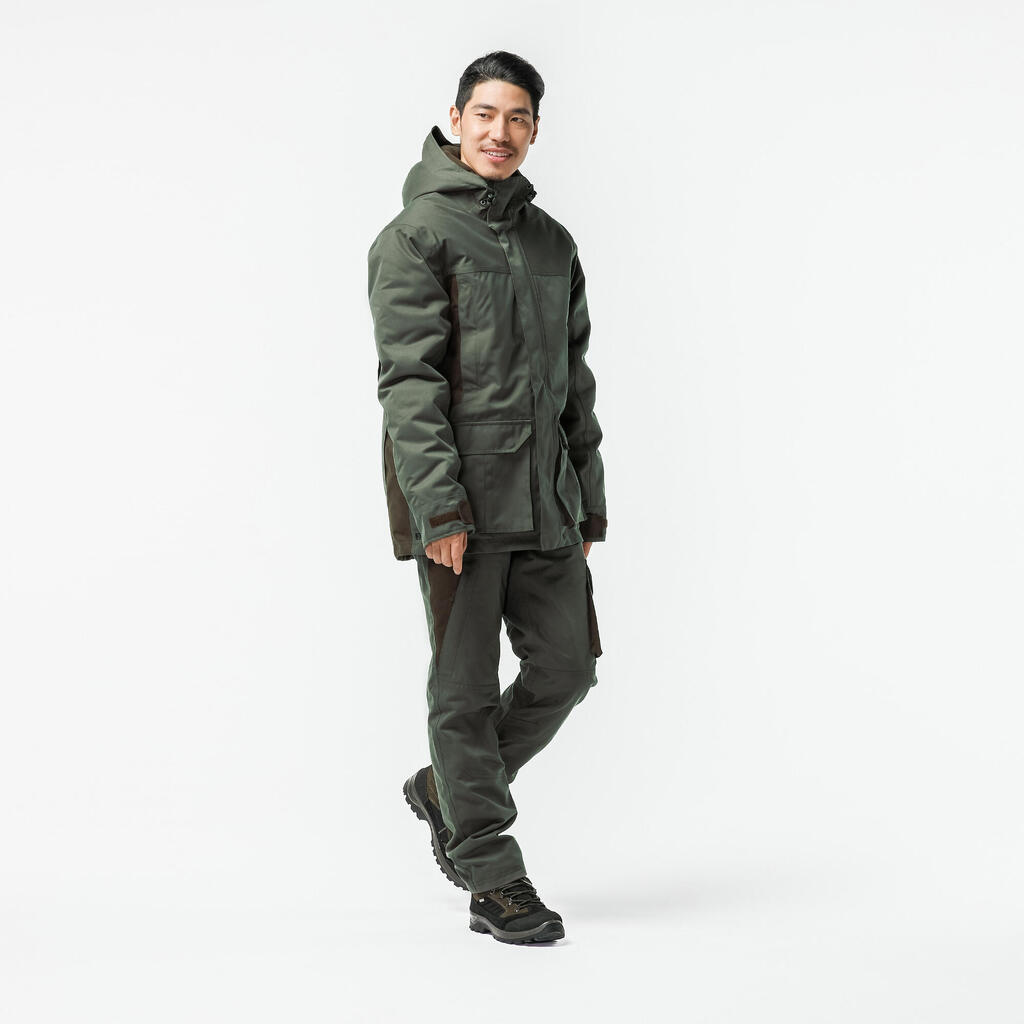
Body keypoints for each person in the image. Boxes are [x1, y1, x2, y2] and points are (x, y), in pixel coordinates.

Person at [367, 50, 608, 945]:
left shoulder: (553, 243)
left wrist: (587, 501)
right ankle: (491, 873)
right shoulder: (415, 237)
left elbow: (574, 384)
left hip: (546, 503)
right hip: (461, 509)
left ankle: (446, 788)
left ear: (534, 129)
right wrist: (438, 509)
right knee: (463, 694)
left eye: (518, 118)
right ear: (456, 119)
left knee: (568, 669)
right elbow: (409, 385)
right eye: (485, 115)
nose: (499, 132)